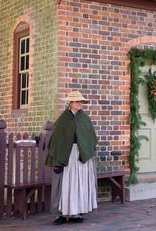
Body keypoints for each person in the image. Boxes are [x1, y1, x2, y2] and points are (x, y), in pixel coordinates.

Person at [45, 91, 98, 225]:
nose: (80, 104)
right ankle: (62, 214)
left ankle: (76, 212)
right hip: (67, 156)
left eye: (81, 101)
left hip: (81, 155)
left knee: (79, 183)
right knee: (66, 184)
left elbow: (90, 137)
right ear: (71, 103)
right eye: (77, 101)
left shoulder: (84, 118)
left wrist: (88, 150)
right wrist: (56, 160)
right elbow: (56, 141)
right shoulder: (63, 120)